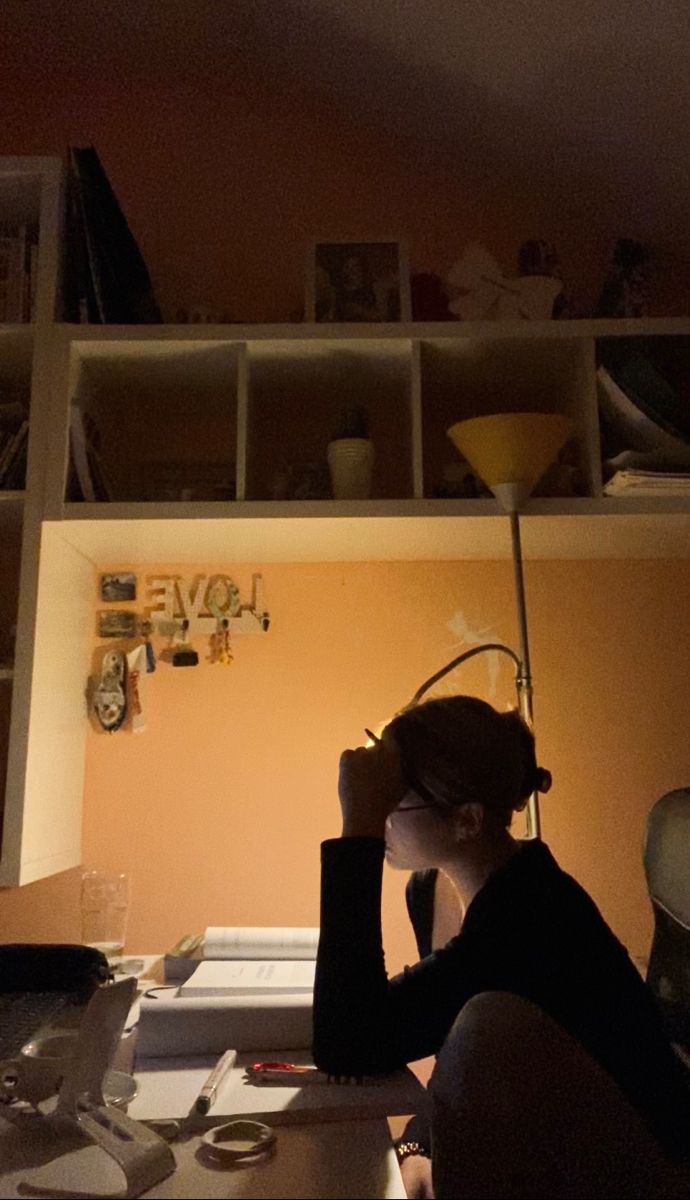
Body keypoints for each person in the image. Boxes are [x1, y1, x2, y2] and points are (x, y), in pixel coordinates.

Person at [312, 695, 690, 1197]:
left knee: (484, 1024)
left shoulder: (530, 919)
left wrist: (356, 829)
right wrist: (413, 1148)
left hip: (646, 1167)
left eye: (392, 801)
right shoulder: (437, 890)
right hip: (551, 1145)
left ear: (467, 820)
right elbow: (417, 1046)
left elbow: (349, 1041)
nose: (381, 816)